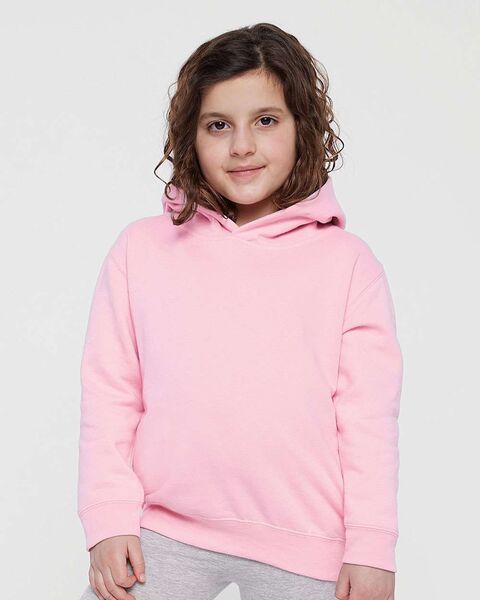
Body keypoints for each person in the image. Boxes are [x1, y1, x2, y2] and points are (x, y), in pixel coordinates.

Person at [77, 22, 403, 600]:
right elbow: (111, 392)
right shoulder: (140, 250)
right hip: (163, 532)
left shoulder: (349, 265)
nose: (242, 146)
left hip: (307, 544)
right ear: (191, 136)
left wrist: (372, 547)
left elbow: (367, 420)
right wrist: (106, 517)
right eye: (218, 125)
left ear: (303, 127)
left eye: (266, 120)